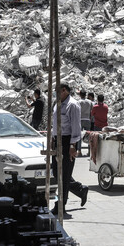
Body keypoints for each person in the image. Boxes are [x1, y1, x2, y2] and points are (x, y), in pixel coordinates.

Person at [51, 83, 89, 215]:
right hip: (58, 140)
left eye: (57, 91)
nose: (55, 93)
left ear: (64, 90)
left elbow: (76, 127)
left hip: (68, 141)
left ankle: (60, 205)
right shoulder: (57, 104)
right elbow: (54, 124)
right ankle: (80, 189)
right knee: (57, 172)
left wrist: (73, 146)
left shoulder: (72, 105)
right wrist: (52, 139)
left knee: (64, 175)